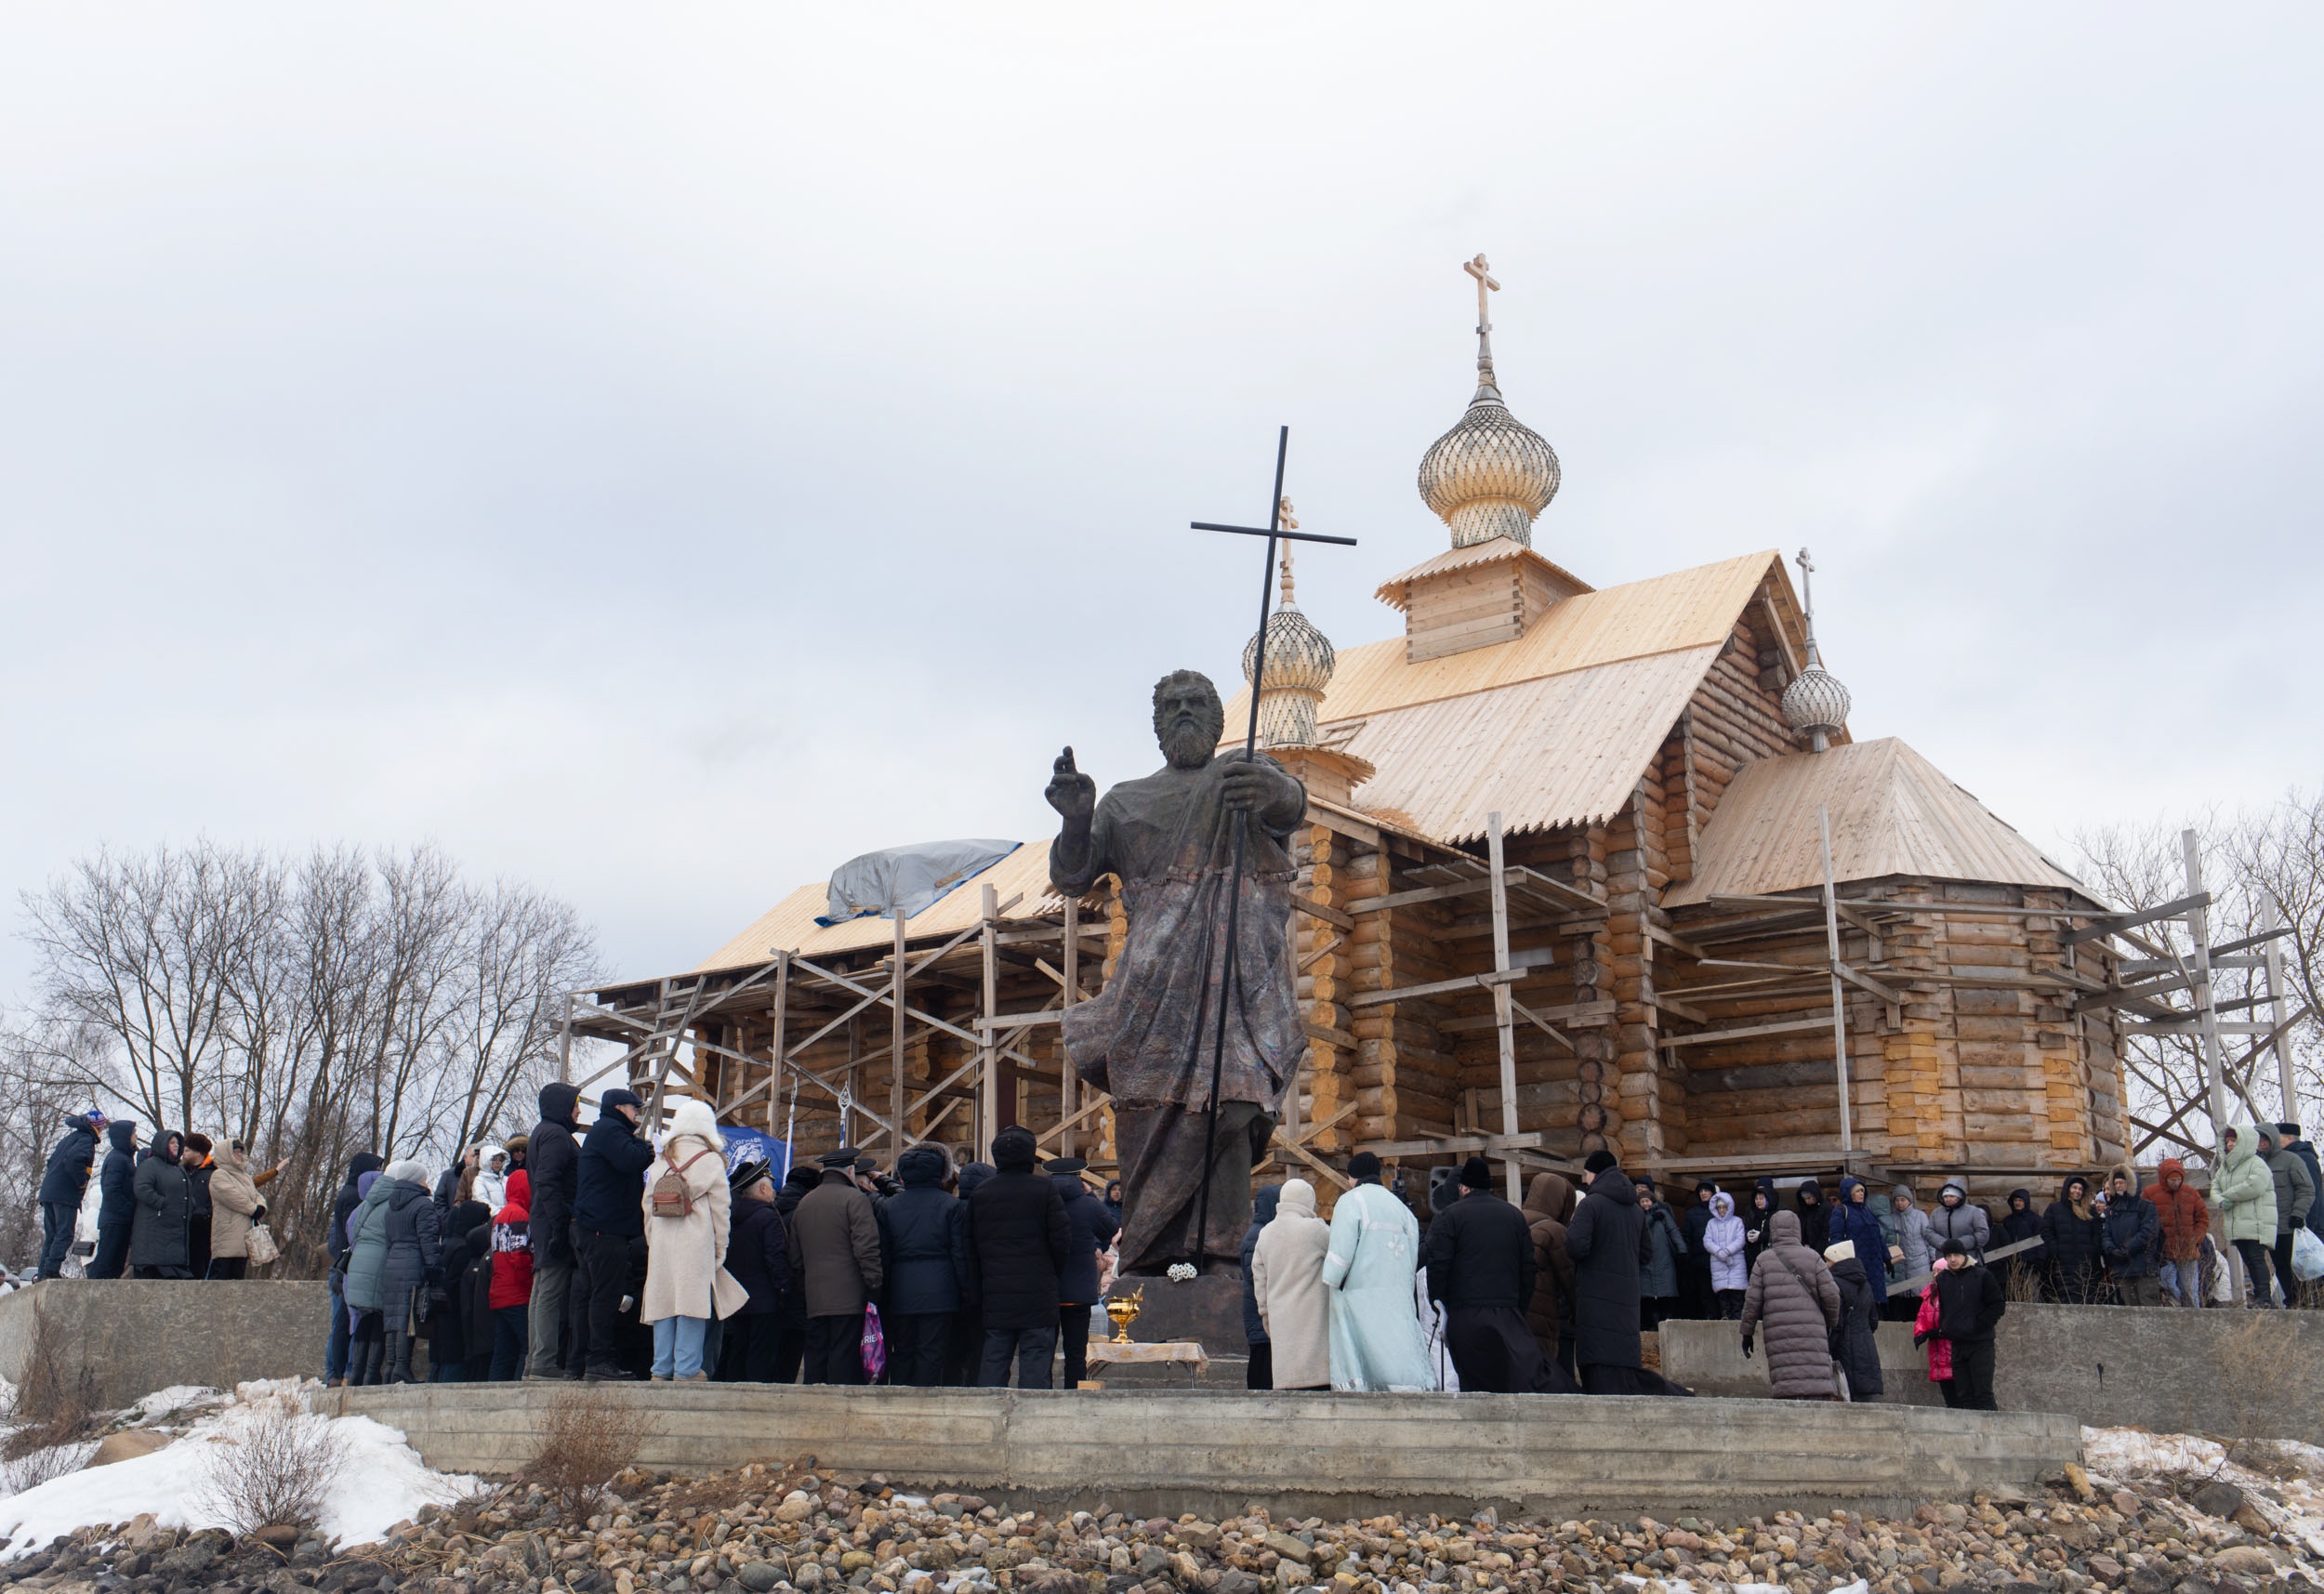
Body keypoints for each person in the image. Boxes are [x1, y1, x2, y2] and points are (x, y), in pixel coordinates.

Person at [1045, 675, 1306, 1277]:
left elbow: (1289, 806)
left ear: (1217, 720)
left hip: (1232, 990)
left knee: (1234, 1104)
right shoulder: (1126, 800)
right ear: (1158, 722)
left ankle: (1221, 1255)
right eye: (1172, 706)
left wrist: (1274, 787)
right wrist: (1078, 819)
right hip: (1152, 989)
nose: (1184, 713)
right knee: (1147, 1107)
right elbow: (1073, 875)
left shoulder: (1241, 780)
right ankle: (1148, 1259)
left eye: (1197, 704)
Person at [1421, 1157, 1566, 1392]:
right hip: (1508, 1315)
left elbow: (1438, 1264)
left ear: (1463, 1187)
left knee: (1472, 1381)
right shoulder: (1513, 1216)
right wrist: (1517, 1308)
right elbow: (1527, 1268)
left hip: (1465, 1313)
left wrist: (1442, 1303)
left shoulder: (1450, 1216)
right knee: (1510, 1380)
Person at [639, 1099, 745, 1383]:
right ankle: (686, 1369)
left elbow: (647, 1206)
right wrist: (719, 1248)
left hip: (661, 1242)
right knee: (692, 1303)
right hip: (696, 1243)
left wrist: (654, 1239)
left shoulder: (661, 1161)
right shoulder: (711, 1161)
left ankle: (660, 1369)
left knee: (662, 1302)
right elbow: (722, 1211)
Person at [1321, 1152, 1433, 1392]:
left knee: (1364, 1362)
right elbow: (1413, 1255)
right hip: (1397, 1296)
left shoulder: (1352, 1201)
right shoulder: (1401, 1207)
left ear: (1354, 1176)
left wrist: (1330, 1278)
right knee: (1395, 1351)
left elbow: (1340, 1254)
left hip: (1360, 1297)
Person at [966, 1126, 1069, 1388]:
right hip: (1038, 1289)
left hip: (996, 1289)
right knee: (1036, 1358)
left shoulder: (981, 1194)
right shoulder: (1044, 1190)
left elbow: (970, 1246)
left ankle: (989, 1417)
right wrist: (1050, 1273)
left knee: (995, 1358)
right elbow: (1061, 1241)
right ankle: (1034, 1420)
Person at [571, 1088, 654, 1380]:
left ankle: (578, 1362)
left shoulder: (603, 1131)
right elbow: (631, 1159)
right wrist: (648, 1149)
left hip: (592, 1228)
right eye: (634, 1108)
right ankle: (598, 1359)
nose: (637, 1113)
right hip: (604, 1230)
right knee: (605, 1296)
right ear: (619, 1107)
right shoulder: (610, 1130)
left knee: (589, 1296)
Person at [789, 1148, 885, 1382]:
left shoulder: (804, 1203)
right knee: (843, 1355)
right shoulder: (855, 1199)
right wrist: (874, 1284)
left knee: (816, 1356)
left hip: (814, 1298)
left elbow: (795, 1256)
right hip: (849, 1297)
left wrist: (804, 1288)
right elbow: (866, 1248)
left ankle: (814, 1410)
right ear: (851, 1171)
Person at [877, 1146, 966, 1388]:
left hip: (900, 1290)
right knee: (932, 1352)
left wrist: (882, 1291)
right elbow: (959, 1254)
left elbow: (883, 1255)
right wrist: (964, 1290)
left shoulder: (888, 1207)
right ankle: (925, 1407)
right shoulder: (951, 1206)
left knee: (903, 1350)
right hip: (940, 1290)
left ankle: (901, 1403)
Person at [1565, 1150, 1646, 1393]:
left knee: (1598, 1374)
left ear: (1596, 1174)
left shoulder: (1591, 1204)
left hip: (1595, 1298)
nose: (1585, 1181)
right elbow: (1646, 1254)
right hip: (1628, 1299)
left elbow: (1576, 1246)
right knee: (1624, 1373)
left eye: (1587, 1174)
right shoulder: (1636, 1209)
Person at [1738, 1209, 1839, 1401]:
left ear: (1773, 1230)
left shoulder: (1763, 1261)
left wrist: (1747, 1333)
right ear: (1797, 1230)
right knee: (1815, 1374)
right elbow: (1832, 1295)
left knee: (1786, 1377)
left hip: (1778, 1330)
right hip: (1812, 1328)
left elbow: (1752, 1302)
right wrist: (1830, 1323)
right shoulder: (1813, 1257)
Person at [523, 1082, 583, 1379]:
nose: (579, 1110)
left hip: (543, 1218)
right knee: (549, 1290)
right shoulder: (557, 1136)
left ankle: (535, 1359)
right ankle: (543, 1360)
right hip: (552, 1220)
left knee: (541, 1288)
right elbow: (548, 1181)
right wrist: (561, 1223)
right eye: (575, 1105)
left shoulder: (543, 1132)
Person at [1247, 1177, 1328, 1390]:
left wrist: (1266, 1317)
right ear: (1307, 1200)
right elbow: (1341, 1261)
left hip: (1281, 1322)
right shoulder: (1316, 1230)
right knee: (1318, 1389)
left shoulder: (1265, 1234)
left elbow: (1259, 1281)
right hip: (1315, 1322)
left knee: (1290, 1391)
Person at [716, 1160, 794, 1382]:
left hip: (736, 1298)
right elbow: (775, 1256)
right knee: (760, 1355)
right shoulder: (767, 1216)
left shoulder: (731, 1216)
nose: (775, 1191)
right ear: (762, 1188)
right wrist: (784, 1287)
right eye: (771, 1185)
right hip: (764, 1299)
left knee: (738, 1352)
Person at [1047, 1156, 1117, 1389]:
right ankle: (1073, 1395)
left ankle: (1041, 1394)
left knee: (1041, 1352)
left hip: (1045, 1290)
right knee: (1076, 1353)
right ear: (1079, 1178)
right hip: (1078, 1291)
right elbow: (1112, 1230)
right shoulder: (1088, 1204)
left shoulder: (1040, 1201)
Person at [373, 1159, 442, 1383]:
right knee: (406, 1317)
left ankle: (392, 1366)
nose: (425, 1181)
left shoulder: (391, 1206)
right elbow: (428, 1239)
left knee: (393, 1317)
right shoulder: (423, 1205)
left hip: (392, 1264)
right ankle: (402, 1366)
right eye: (423, 1177)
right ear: (415, 1180)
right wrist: (433, 1266)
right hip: (413, 1262)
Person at [1926, 1239, 2005, 1408]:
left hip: (1980, 1343)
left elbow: (1997, 1305)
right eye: (1949, 1256)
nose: (1953, 1259)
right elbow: (1945, 1307)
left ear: (1964, 1255)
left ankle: (1992, 1431)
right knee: (1963, 1394)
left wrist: (1977, 1325)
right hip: (1957, 1343)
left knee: (1983, 1392)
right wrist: (1946, 1327)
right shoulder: (1943, 1279)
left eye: (1956, 1255)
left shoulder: (1982, 1275)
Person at [2212, 1126, 2279, 1307]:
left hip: (2257, 1221)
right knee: (2249, 1260)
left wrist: (2228, 1196)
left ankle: (2265, 1297)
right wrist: (2221, 1200)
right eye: (2227, 1142)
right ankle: (2260, 1296)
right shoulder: (2226, 1167)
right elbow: (2215, 1187)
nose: (2230, 1144)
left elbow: (2254, 1186)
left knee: (2256, 1258)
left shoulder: (2256, 1163)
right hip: (2237, 1223)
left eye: (2233, 1140)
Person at [37, 1111, 105, 1280]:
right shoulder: (86, 1139)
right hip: (64, 1194)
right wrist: (81, 1181)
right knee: (65, 1234)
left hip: (49, 1191)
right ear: (99, 1126)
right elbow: (74, 1159)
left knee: (52, 1235)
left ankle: (43, 1273)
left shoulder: (70, 1138)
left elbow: (51, 1161)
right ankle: (51, 1271)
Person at [1521, 1172, 1578, 1371]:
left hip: (1512, 1316)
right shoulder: (1555, 1231)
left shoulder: (1513, 1219)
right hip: (1542, 1319)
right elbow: (1571, 1281)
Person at [431, 1198, 493, 1380]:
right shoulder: (464, 1249)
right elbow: (455, 1286)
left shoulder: (448, 1245)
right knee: (452, 1367)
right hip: (455, 1318)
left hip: (442, 1317)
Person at [342, 1168, 394, 1385]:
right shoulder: (390, 1207)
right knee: (379, 1318)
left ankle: (356, 1372)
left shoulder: (362, 1207)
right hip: (378, 1264)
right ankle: (371, 1373)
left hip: (357, 1264)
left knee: (364, 1317)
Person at [947, 1161, 996, 1386]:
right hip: (979, 1292)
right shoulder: (985, 1212)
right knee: (979, 1350)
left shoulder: (951, 1208)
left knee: (955, 1351)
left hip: (951, 1292)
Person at [773, 1161, 821, 1383]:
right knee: (792, 1354)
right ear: (810, 1190)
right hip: (799, 1292)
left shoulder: (772, 1207)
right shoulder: (803, 1214)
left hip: (772, 1293)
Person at [2257, 1126, 2316, 1306]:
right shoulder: (2256, 1163)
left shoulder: (2292, 1160)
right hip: (2268, 1227)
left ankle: (2304, 1302)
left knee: (2297, 1269)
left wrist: (2298, 1214)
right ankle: (2293, 1301)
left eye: (2265, 1139)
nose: (2261, 1144)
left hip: (2289, 1226)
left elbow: (2307, 1189)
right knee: (2280, 1268)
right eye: (2258, 1140)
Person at [2142, 1157, 2210, 1307]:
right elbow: (2143, 1220)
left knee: (2190, 1291)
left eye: (2178, 1179)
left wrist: (2195, 1240)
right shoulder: (2150, 1194)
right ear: (2164, 1178)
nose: (2176, 1183)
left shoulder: (2190, 1193)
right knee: (2170, 1289)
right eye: (2172, 1180)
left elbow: (2203, 1218)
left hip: (2188, 1252)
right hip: (2164, 1254)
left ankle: (2194, 1322)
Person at [485, 1168, 534, 1380]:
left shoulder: (501, 1215)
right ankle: (520, 1392)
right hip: (517, 1292)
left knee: (503, 1352)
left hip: (499, 1292)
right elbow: (520, 1255)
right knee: (528, 1347)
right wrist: (531, 1285)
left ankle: (495, 1394)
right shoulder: (520, 1215)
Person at [128, 1129, 194, 1279]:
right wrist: (162, 1203)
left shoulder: (179, 1168)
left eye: (178, 1143)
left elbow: (187, 1192)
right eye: (172, 1143)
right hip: (154, 1228)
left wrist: (190, 1207)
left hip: (176, 1229)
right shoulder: (150, 1165)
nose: (176, 1145)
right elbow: (142, 1188)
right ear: (163, 1145)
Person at [1824, 1238, 1883, 1402]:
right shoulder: (1866, 1284)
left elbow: (1836, 1323)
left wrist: (1828, 1348)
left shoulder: (1834, 1284)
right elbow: (1873, 1321)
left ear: (1837, 1261)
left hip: (1844, 1349)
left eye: (1828, 1260)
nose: (1826, 1265)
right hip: (1867, 1347)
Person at [2100, 1165, 2162, 1306]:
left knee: (2149, 1308)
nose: (2118, 1186)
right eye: (2115, 1183)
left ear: (2131, 1183)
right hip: (2122, 1269)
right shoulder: (2111, 1210)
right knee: (2128, 1310)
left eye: (2121, 1182)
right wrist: (2112, 1250)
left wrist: (2126, 1250)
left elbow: (2147, 1234)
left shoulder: (2146, 1207)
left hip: (2143, 1268)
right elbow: (2106, 1234)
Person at [1239, 1184, 1282, 1390]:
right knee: (1261, 1362)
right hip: (1259, 1314)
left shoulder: (1261, 1232)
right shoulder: (1258, 1235)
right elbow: (1254, 1275)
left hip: (1259, 1313)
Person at [88, 1119, 141, 1281]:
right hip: (115, 1219)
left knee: (116, 1264)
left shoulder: (124, 1157)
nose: (136, 1136)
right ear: (125, 1136)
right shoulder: (117, 1159)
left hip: (119, 1219)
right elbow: (112, 1190)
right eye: (133, 1133)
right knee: (106, 1261)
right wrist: (128, 1210)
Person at [205, 1140, 266, 1280]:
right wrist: (253, 1209)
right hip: (226, 1236)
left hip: (244, 1236)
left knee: (238, 1280)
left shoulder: (246, 1177)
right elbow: (232, 1197)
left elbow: (256, 1195)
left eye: (240, 1151)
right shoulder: (219, 1175)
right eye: (235, 1152)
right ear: (227, 1154)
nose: (239, 1155)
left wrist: (261, 1206)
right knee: (220, 1280)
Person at [2040, 1174, 2106, 1304]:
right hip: (2064, 1263)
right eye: (2074, 1187)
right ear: (2067, 1189)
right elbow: (2046, 1231)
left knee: (2087, 1298)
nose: (2077, 1191)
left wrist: (2093, 1249)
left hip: (2087, 1263)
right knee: (2066, 1298)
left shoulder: (2090, 1211)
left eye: (2080, 1189)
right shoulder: (2055, 1209)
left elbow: (2097, 1233)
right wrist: (2055, 1249)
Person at [1830, 1178, 1890, 1316]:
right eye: (1857, 1191)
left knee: (1875, 1302)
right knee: (1859, 1303)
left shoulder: (1867, 1212)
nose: (1861, 1193)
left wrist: (1886, 1257)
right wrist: (1842, 1263)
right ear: (1848, 1193)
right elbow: (1836, 1238)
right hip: (1855, 1265)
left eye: (1862, 1190)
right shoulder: (1841, 1211)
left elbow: (1877, 1236)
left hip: (1874, 1264)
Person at [1635, 1178, 1687, 1330]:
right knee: (1648, 1297)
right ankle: (1653, 1326)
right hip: (1646, 1262)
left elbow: (1673, 1232)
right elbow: (1639, 1230)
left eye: (1647, 1201)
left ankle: (1667, 1323)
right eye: (1642, 1202)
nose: (1645, 1204)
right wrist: (1651, 1217)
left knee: (1667, 1293)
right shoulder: (1637, 1216)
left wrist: (1682, 1251)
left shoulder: (1663, 1213)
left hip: (1664, 1260)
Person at [1885, 1186, 1934, 1321]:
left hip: (1919, 1264)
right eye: (1897, 1200)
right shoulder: (1891, 1219)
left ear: (1909, 1200)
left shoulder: (1920, 1216)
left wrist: (1933, 1259)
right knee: (1901, 1300)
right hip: (1899, 1265)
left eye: (1903, 1199)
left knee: (1919, 1299)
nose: (1900, 1203)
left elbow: (1929, 1239)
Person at [1679, 1180, 1718, 1322]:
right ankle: (1709, 1317)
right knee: (1704, 1292)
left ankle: (1723, 1316)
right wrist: (1687, 1257)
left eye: (1706, 1190)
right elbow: (1686, 1237)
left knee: (1720, 1291)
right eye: (1701, 1191)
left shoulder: (1719, 1211)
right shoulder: (1692, 1214)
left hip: (1719, 1259)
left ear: (1712, 1192)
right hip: (1700, 1261)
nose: (1703, 1193)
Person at [1704, 1192, 1748, 1319]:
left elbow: (1740, 1240)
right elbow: (1707, 1241)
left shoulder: (1737, 1221)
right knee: (1723, 1296)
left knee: (1736, 1296)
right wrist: (1718, 1252)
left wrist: (1727, 1251)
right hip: (1718, 1263)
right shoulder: (1711, 1223)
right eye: (1719, 1208)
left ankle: (1737, 1320)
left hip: (1736, 1262)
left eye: (1724, 1207)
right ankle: (1726, 1317)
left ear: (1729, 1207)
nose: (1722, 1210)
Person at [2280, 1124, 2324, 1243]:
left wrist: (2309, 1225)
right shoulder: (2290, 1157)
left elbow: (2311, 1192)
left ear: (2289, 1137)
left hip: (2311, 1225)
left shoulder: (2303, 1158)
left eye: (2278, 1137)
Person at [1925, 1179, 1988, 1263]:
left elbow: (1983, 1232)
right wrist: (1944, 1244)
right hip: (1944, 1258)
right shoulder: (1936, 1213)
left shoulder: (1973, 1211)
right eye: (1945, 1196)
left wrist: (1961, 1244)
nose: (1948, 1199)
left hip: (1969, 1258)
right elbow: (1929, 1232)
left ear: (1959, 1197)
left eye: (1952, 1196)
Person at [180, 1134, 216, 1276]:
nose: (183, 1154)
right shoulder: (181, 1172)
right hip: (183, 1228)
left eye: (187, 1150)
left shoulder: (213, 1173)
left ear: (198, 1153)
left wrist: (205, 1213)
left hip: (204, 1229)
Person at [1999, 1188, 2044, 1299]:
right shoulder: (2008, 1221)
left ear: (2026, 1202)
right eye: (2015, 1200)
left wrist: (2039, 1260)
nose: (2017, 1203)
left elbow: (2042, 1241)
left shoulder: (2036, 1220)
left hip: (2030, 1264)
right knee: (2012, 1294)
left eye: (2020, 1200)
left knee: (2032, 1294)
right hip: (2012, 1265)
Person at [1742, 1179, 1778, 1274]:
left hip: (1772, 1259)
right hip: (1754, 1259)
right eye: (1756, 1199)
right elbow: (1745, 1229)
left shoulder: (1775, 1213)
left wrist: (1761, 1236)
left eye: (1761, 1198)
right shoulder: (1751, 1213)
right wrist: (1747, 1235)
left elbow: (1779, 1235)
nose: (1758, 1201)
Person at [1793, 1179, 1831, 1253]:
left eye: (1809, 1198)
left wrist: (1817, 1250)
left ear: (1815, 1195)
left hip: (1824, 1250)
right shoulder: (1803, 1211)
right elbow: (1799, 1230)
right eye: (1804, 1199)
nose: (1807, 1201)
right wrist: (1803, 1244)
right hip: (1806, 1250)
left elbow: (1826, 1232)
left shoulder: (1826, 1209)